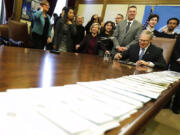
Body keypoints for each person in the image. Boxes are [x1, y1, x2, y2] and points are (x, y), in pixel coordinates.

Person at [170, 35, 180, 114]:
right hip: (177, 62)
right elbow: (175, 49)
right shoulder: (178, 37)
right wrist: (178, 58)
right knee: (171, 84)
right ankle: (166, 103)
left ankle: (176, 106)